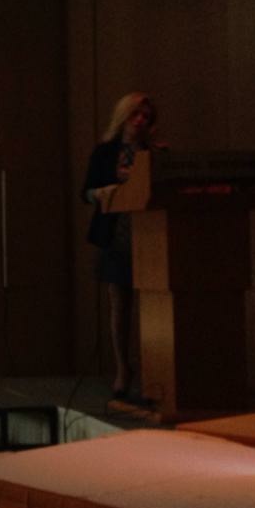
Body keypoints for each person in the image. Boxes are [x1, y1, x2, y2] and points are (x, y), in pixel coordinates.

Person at [81, 93, 160, 400]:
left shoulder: (153, 153)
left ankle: (155, 367)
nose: (140, 121)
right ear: (123, 117)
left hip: (150, 235)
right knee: (120, 305)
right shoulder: (105, 152)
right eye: (135, 115)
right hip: (116, 234)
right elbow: (85, 192)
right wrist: (101, 193)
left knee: (153, 305)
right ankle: (122, 368)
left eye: (146, 117)